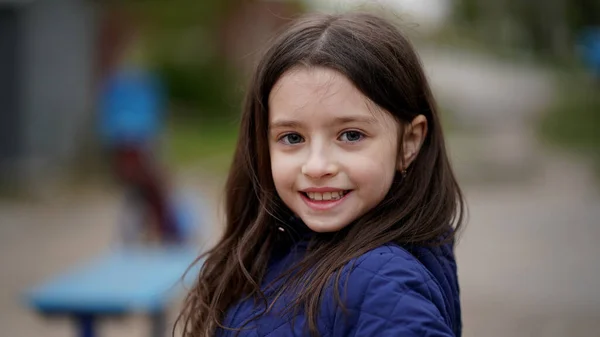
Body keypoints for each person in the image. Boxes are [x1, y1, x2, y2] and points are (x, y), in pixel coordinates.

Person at [177, 12, 464, 336]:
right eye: (292, 138)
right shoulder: (279, 246)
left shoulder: (385, 281)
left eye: (351, 135)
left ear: (409, 142)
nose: (316, 166)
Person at [98, 34, 184, 245]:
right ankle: (149, 231)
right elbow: (110, 117)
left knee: (149, 189)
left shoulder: (144, 85)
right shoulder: (117, 86)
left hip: (142, 143)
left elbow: (155, 114)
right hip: (130, 145)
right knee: (141, 190)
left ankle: (157, 230)